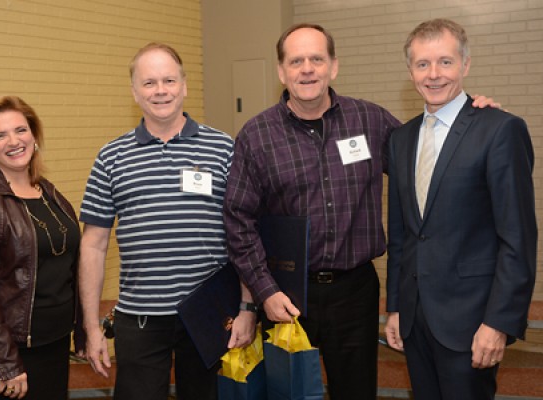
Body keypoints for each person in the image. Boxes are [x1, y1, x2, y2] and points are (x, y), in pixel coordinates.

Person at [222, 23, 499, 400]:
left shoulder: (370, 121)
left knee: (356, 392)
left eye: (317, 59)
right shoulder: (256, 136)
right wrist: (264, 291)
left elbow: (434, 160)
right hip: (285, 293)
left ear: (333, 66)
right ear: (281, 71)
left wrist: (471, 119)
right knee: (286, 393)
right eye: (297, 61)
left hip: (355, 292)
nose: (307, 69)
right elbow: (238, 222)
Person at [78, 42, 256, 400]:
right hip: (140, 317)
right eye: (149, 83)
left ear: (184, 86)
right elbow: (93, 245)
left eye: (169, 80)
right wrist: (91, 327)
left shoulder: (223, 149)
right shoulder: (110, 157)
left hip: (209, 312)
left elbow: (246, 233)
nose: (160, 90)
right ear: (134, 92)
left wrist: (247, 308)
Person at [384, 19, 537, 400]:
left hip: (471, 322)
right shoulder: (401, 139)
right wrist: (397, 309)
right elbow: (403, 233)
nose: (433, 75)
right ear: (410, 71)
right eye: (422, 64)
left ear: (465, 65)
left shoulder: (500, 130)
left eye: (445, 62)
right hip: (416, 322)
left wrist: (498, 322)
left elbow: (517, 237)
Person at [0, 95, 84, 400]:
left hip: (52, 341)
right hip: (4, 348)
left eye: (20, 130)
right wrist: (6, 361)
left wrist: (81, 331)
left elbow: (67, 267)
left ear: (34, 135)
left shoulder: (48, 192)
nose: (14, 141)